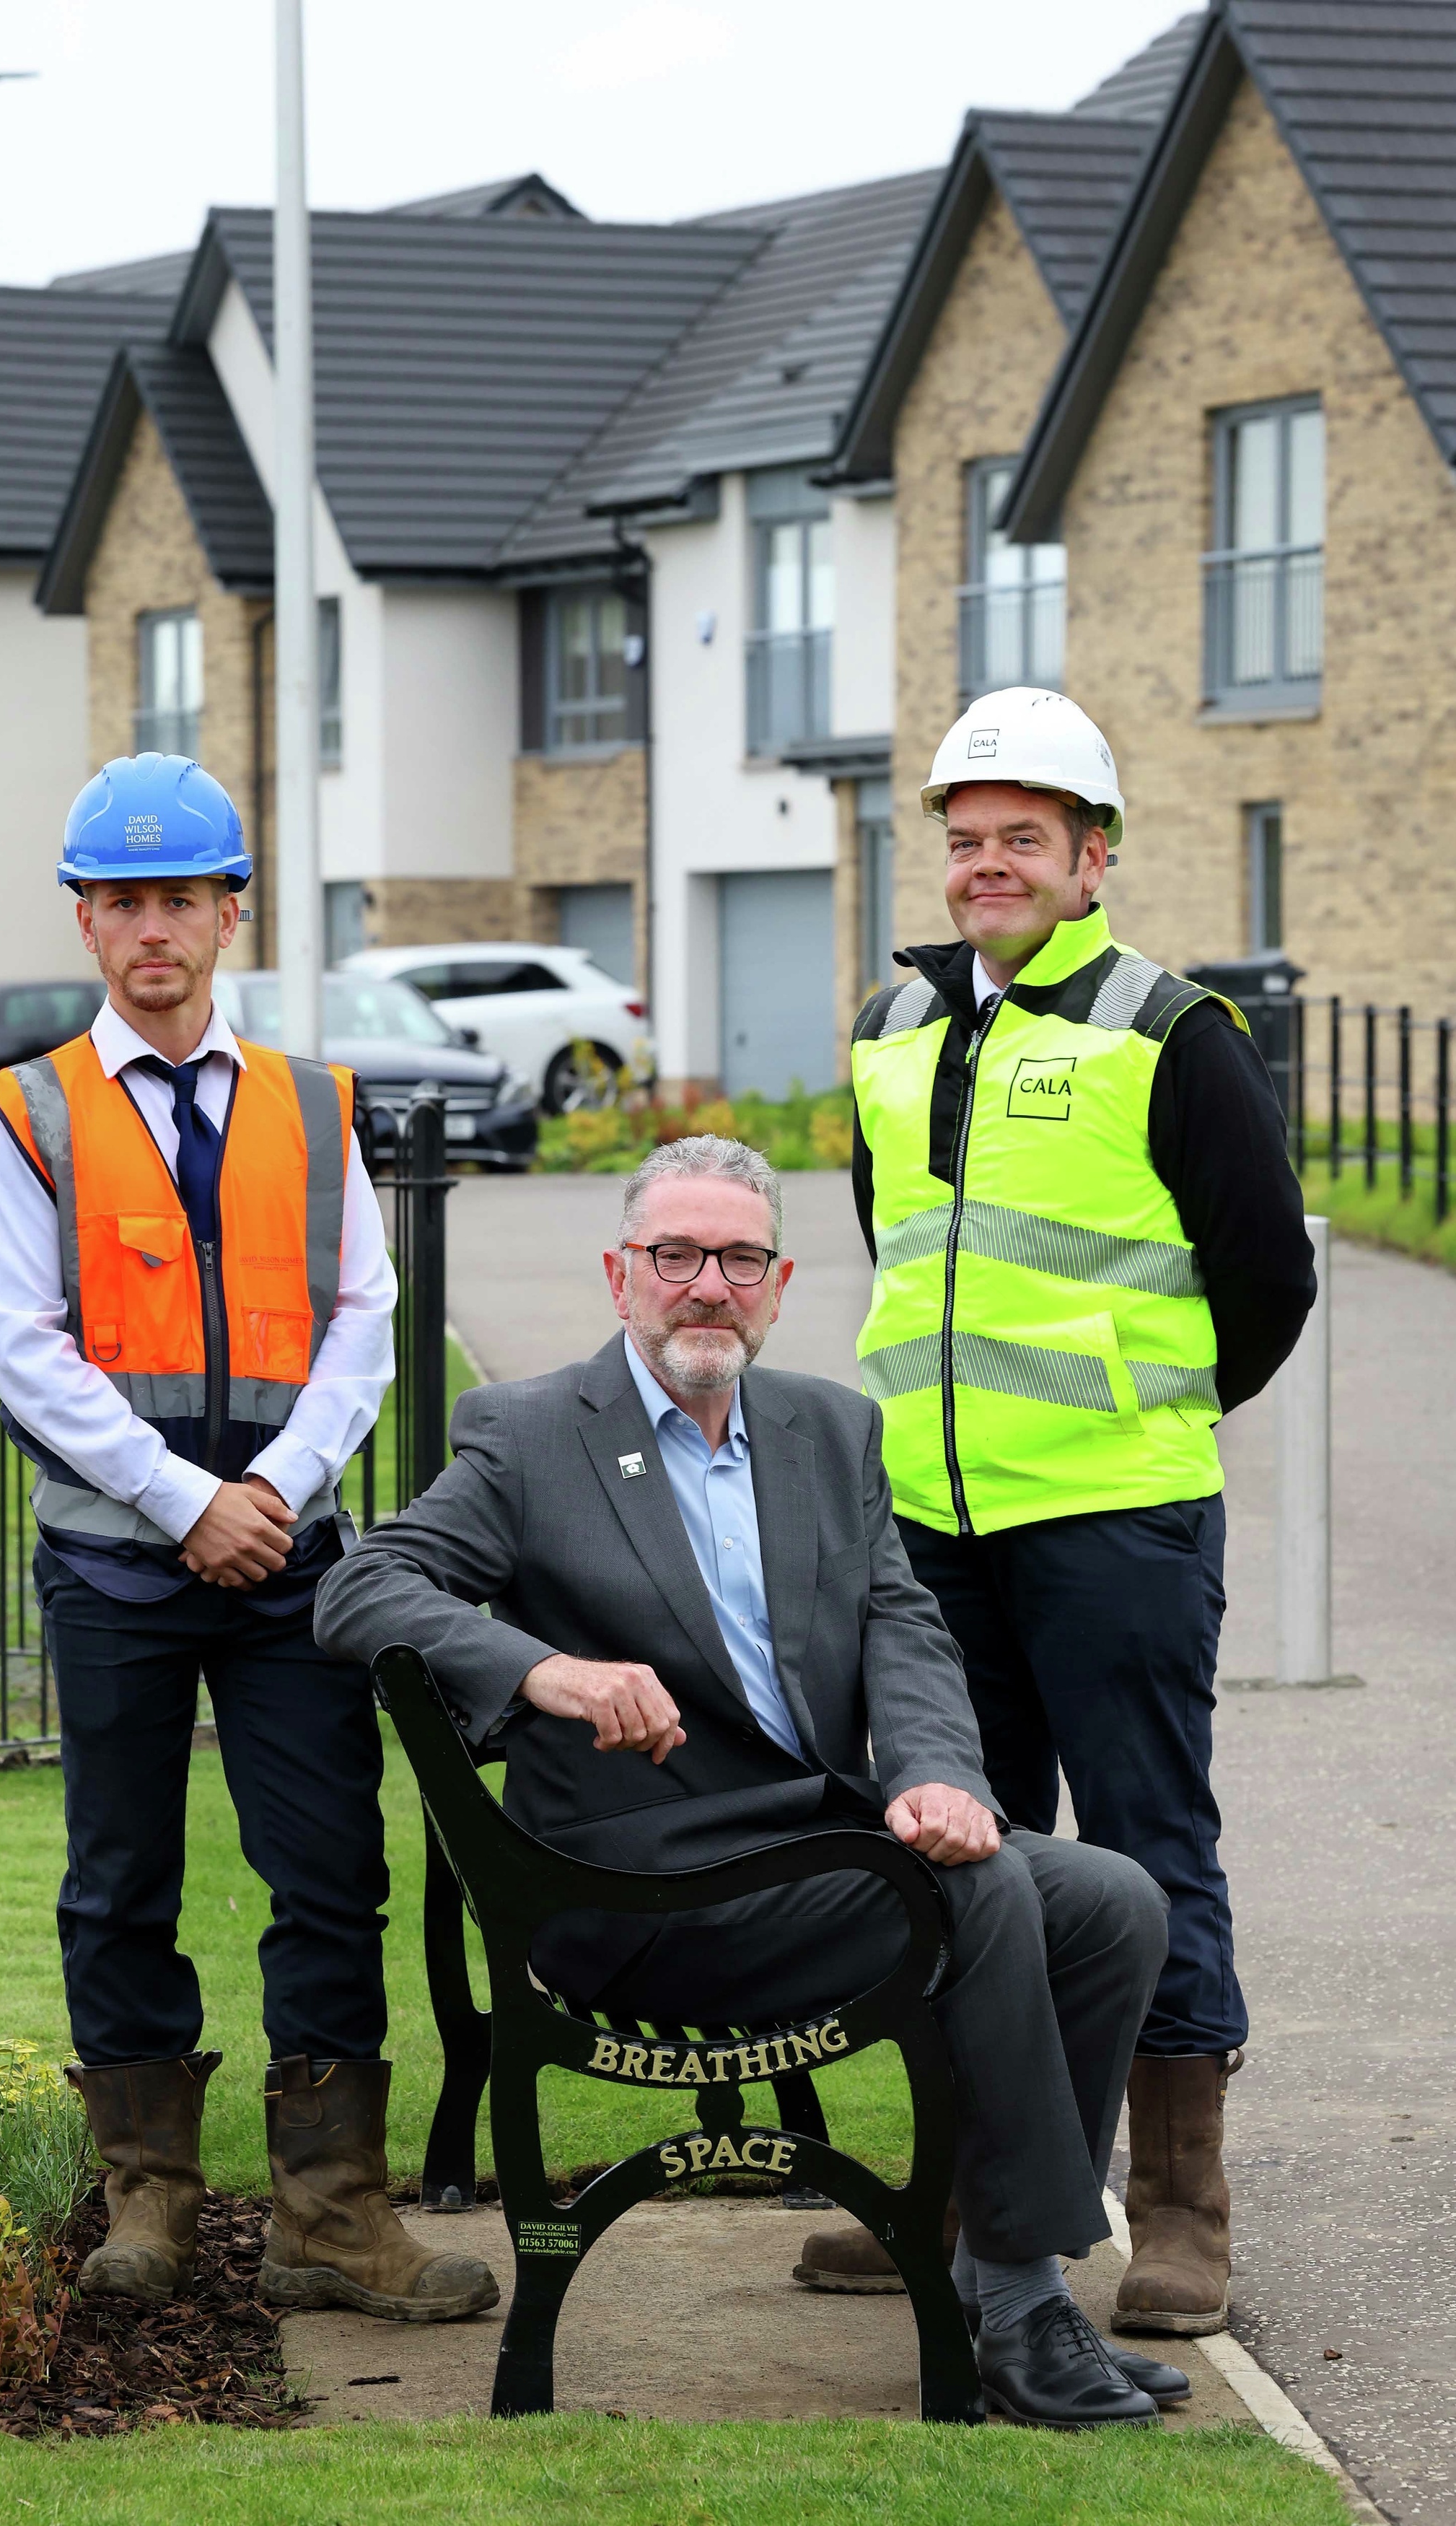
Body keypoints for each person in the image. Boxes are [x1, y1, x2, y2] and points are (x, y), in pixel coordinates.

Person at [317, 1132, 1190, 2429]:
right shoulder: (528, 1435)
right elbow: (360, 1587)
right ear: (622, 1274)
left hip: (820, 1856)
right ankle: (1018, 2298)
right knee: (980, 1892)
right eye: (674, 1255)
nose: (705, 1286)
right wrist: (548, 1670)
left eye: (738, 1258)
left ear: (778, 1286)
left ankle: (992, 2263)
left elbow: (903, 1627)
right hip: (633, 1895)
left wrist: (941, 1774)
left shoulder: (828, 1429)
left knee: (1111, 1896)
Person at [0, 751, 496, 2327]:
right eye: (120, 901)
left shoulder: (316, 1106)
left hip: (291, 1567)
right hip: (118, 1561)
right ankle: (153, 2200)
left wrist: (274, 1492)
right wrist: (189, 1502)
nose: (151, 930)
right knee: (119, 1875)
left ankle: (333, 2216)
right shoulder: (29, 1113)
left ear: (229, 911)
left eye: (178, 900)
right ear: (85, 919)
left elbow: (366, 1323)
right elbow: (23, 1343)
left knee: (329, 1872)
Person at [847, 686, 1316, 2337]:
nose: (988, 866)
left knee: (1144, 1843)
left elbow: (1266, 1276)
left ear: (1090, 854)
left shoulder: (1168, 1031)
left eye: (1022, 840)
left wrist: (1152, 1415)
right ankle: (973, 2182)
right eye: (966, 841)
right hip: (929, 1532)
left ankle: (1180, 2206)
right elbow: (897, 1263)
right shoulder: (890, 1037)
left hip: (1118, 1525)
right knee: (955, 1855)